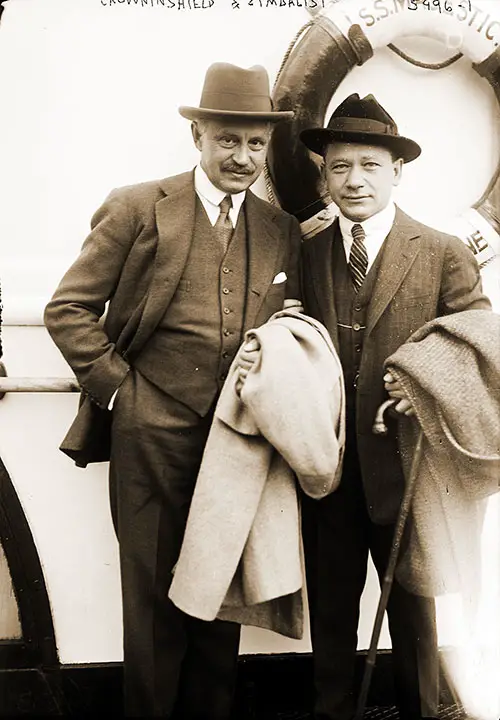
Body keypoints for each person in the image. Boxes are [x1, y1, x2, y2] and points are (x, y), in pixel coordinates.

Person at [44, 62, 301, 719]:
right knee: (155, 613)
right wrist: (122, 395)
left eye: (254, 144)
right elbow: (68, 310)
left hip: (235, 451)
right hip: (147, 439)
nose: (242, 157)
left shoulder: (278, 230)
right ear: (198, 139)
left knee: (220, 604)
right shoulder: (137, 206)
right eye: (227, 141)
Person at [298, 93, 491, 720]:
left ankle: (421, 710)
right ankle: (331, 709)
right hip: (325, 467)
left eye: (370, 166)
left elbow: (479, 338)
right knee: (330, 603)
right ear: (324, 174)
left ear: (397, 171)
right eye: (340, 166)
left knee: (413, 605)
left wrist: (423, 379)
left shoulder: (440, 251)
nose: (354, 180)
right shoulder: (305, 250)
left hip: (408, 468)